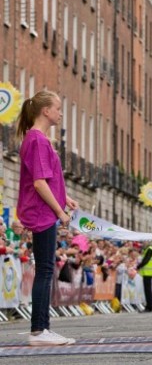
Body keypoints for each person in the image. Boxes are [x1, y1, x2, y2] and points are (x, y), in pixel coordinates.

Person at [16, 90, 78, 346]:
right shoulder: (38, 140)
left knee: (45, 269)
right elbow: (40, 184)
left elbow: (48, 180)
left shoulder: (36, 139)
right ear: (46, 111)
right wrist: (60, 212)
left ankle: (43, 328)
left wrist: (65, 198)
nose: (61, 113)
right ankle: (39, 330)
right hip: (42, 212)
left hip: (45, 209)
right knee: (44, 269)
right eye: (58, 108)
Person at [136, 242, 152, 312]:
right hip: (147, 272)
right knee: (148, 290)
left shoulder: (150, 249)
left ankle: (149, 306)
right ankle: (150, 305)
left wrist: (138, 266)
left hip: (148, 272)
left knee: (147, 290)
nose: (143, 243)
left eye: (144, 241)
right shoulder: (148, 249)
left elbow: (146, 260)